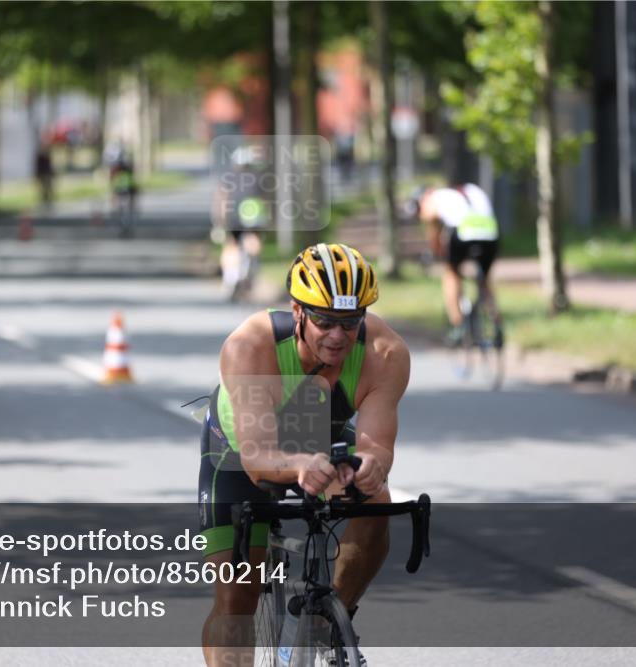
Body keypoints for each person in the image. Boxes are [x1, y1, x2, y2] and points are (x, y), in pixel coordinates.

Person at [198, 243, 411, 666]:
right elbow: (259, 460)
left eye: (350, 322)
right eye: (324, 320)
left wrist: (372, 466)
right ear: (297, 311)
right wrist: (297, 465)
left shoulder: (385, 354)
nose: (338, 335)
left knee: (377, 501)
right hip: (241, 449)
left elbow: (376, 447)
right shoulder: (250, 346)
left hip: (320, 436)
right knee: (237, 595)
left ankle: (331, 622)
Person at [415, 183, 501, 346]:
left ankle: (458, 325)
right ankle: (497, 324)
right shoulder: (472, 189)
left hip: (463, 234)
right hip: (491, 235)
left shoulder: (433, 197)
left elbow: (432, 229)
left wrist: (436, 252)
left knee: (451, 274)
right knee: (484, 281)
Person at [210, 146, 267, 301]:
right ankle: (250, 271)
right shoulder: (259, 177)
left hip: (233, 216)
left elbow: (221, 200)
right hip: (253, 214)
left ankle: (230, 278)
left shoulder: (228, 178)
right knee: (252, 241)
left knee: (231, 245)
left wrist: (219, 221)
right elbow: (265, 200)